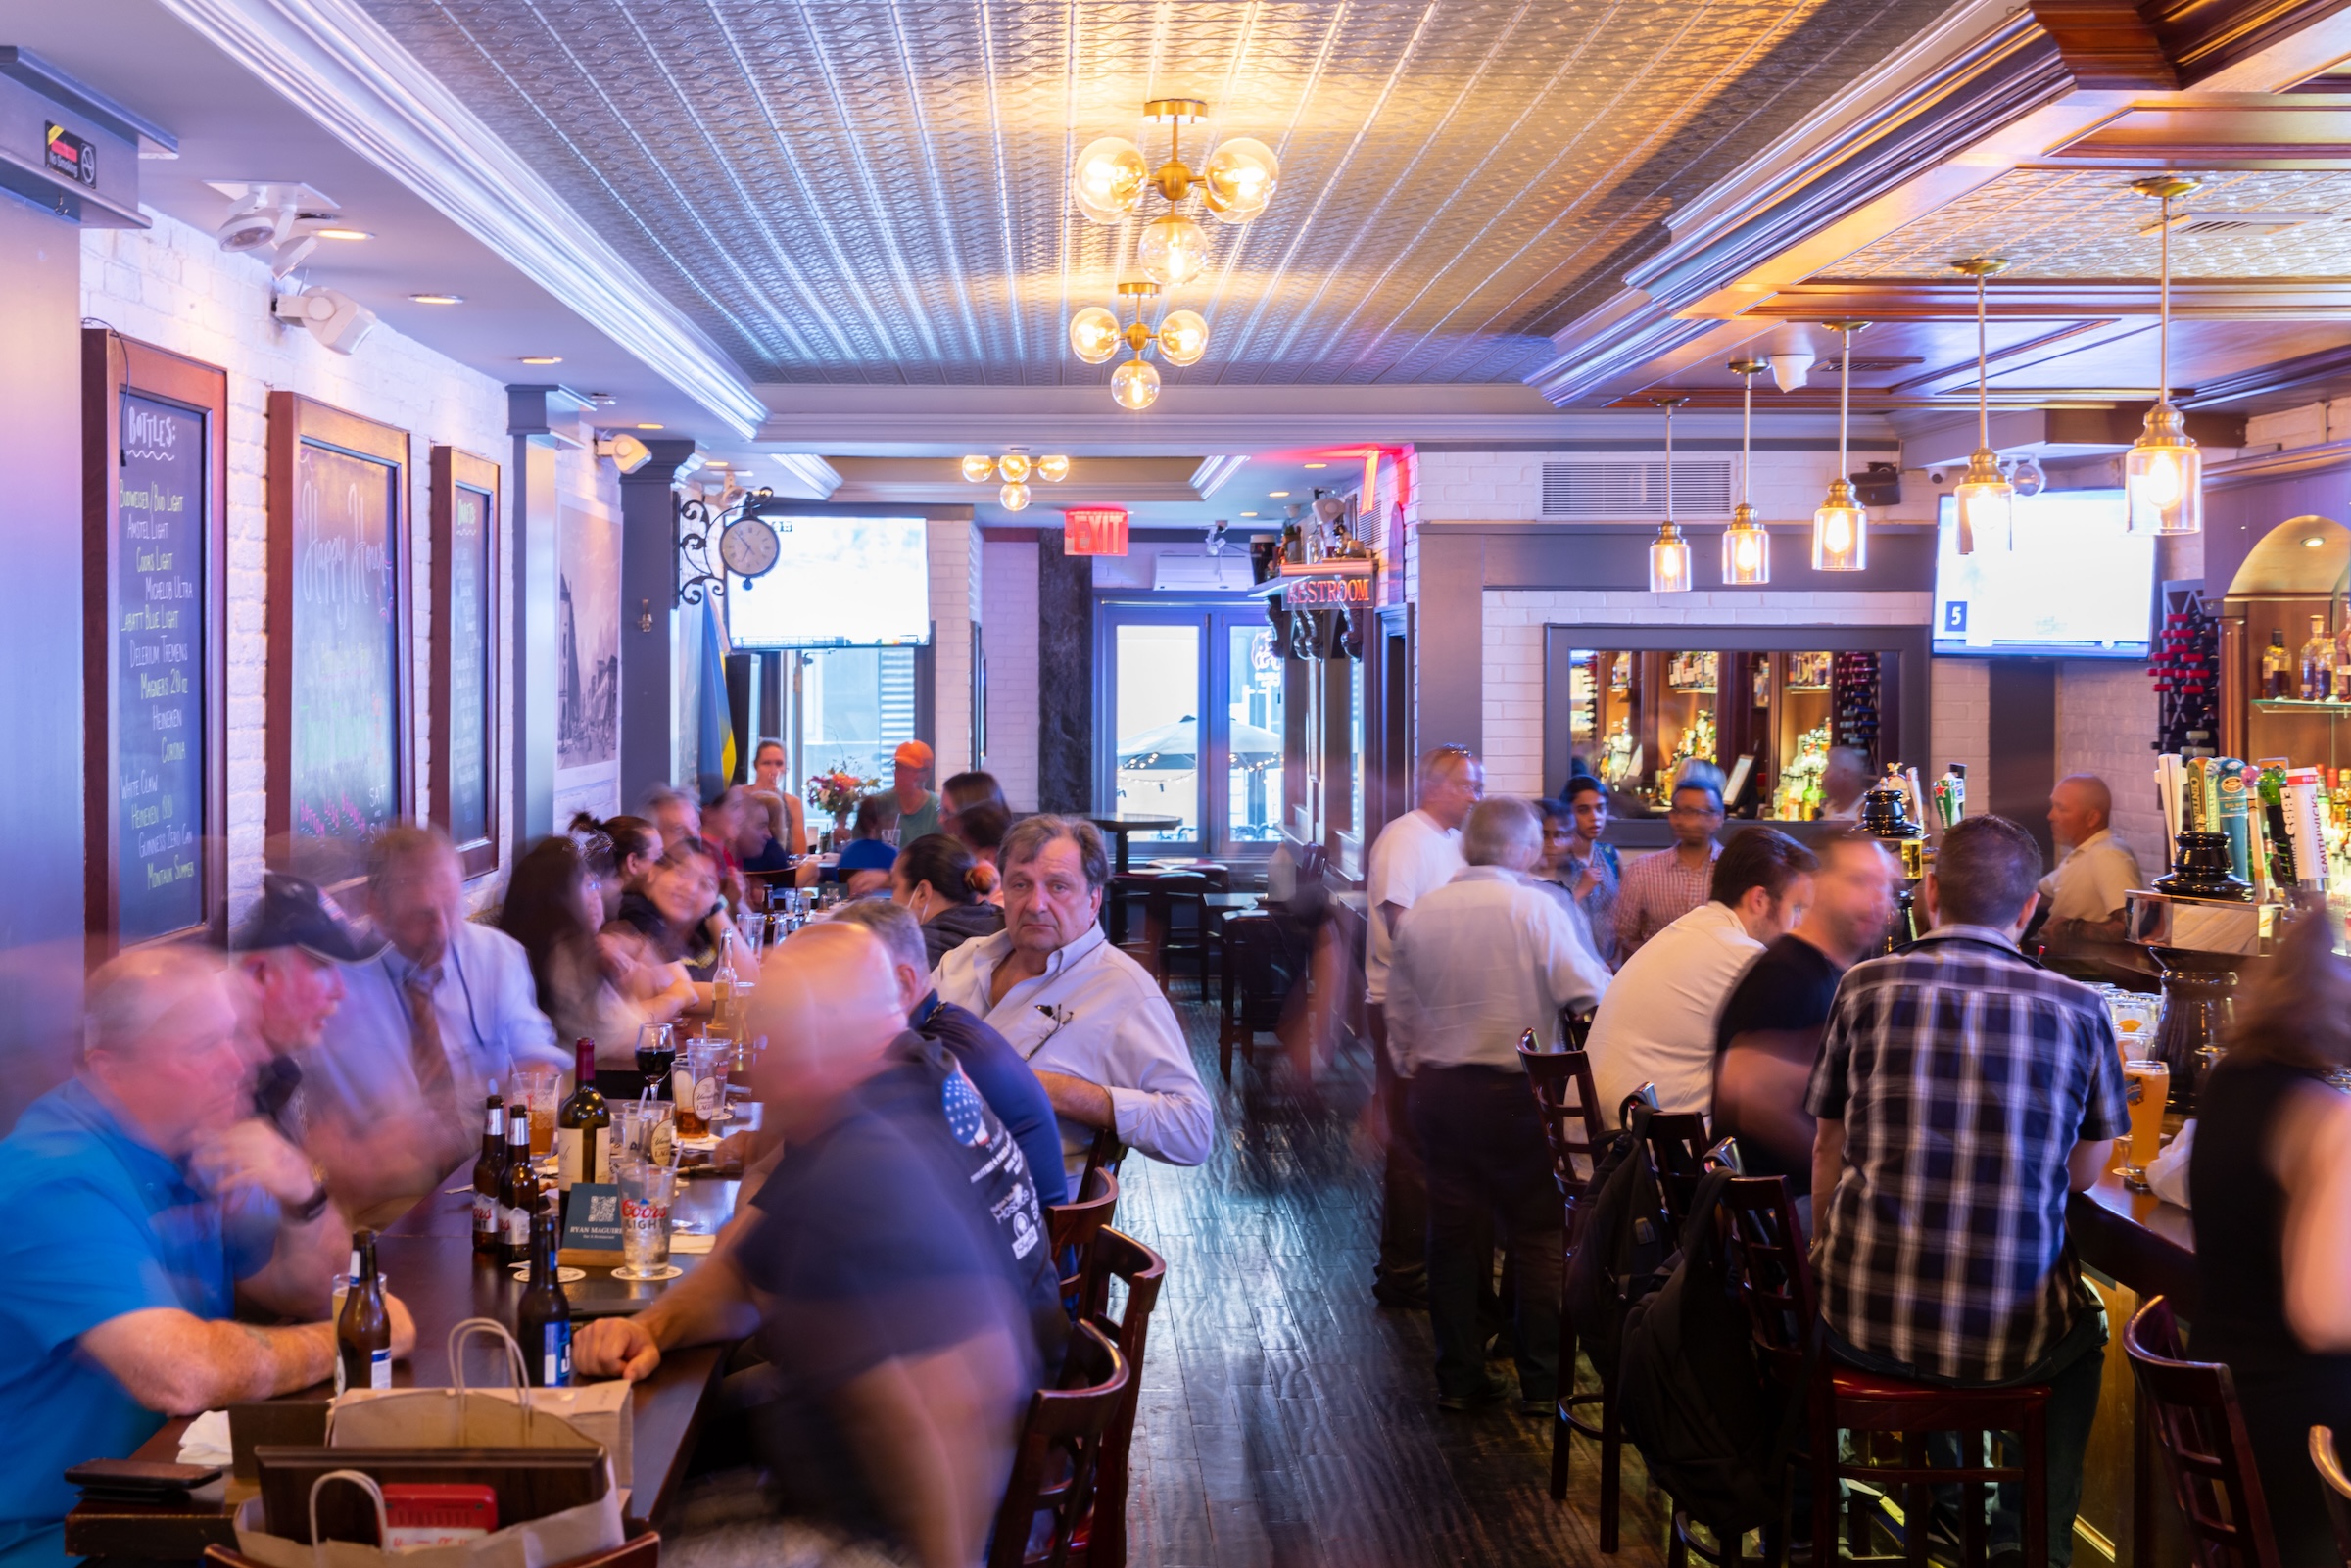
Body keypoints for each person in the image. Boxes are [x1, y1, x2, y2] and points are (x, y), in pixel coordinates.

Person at [570, 925, 1039, 1568]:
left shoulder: (862, 1170)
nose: (749, 1059)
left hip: (869, 1542)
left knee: (601, 1544)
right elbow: (746, 1265)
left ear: (811, 1042)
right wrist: (652, 1327)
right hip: (828, 1493)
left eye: (764, 1034)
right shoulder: (889, 1092)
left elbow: (958, 1405)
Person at [0, 949, 414, 1568]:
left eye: (234, 1038)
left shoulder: (193, 1141)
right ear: (111, 1069)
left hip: (180, 1497)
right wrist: (347, 1339)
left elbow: (302, 1288)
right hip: (66, 1539)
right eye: (201, 1047)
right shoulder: (52, 1181)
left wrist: (302, 1191)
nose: (239, 1065)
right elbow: (180, 1372)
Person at [1807, 814, 2128, 1568]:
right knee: (2084, 1331)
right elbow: (2085, 1172)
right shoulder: (2080, 1009)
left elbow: (1828, 1146)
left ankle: (1947, 1506)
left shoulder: (1863, 986)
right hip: (2006, 1344)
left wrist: (1828, 1259)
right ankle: (2029, 1539)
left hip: (1859, 1321)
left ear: (1928, 894)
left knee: (1923, 1272)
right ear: (2027, 911)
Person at [1387, 798, 1611, 1414]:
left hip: (1439, 1091)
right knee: (1537, 1235)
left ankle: (1458, 1378)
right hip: (1517, 1093)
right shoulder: (1534, 908)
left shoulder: (1424, 915)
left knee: (1453, 1239)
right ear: (1522, 849)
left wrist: (1414, 1071)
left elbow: (1400, 1019)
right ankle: (1543, 1381)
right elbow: (1588, 992)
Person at [2188, 915, 2351, 1567]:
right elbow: (2323, 1316)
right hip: (2301, 1441)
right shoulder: (2327, 1120)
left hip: (2225, 1402)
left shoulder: (2229, 1078)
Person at [933, 815, 1213, 1185]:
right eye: (1020, 884)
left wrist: (1056, 1091)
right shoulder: (965, 959)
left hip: (1027, 1214)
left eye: (1058, 887)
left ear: (1094, 899)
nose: (1036, 904)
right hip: (929, 1174)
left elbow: (1193, 1130)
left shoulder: (1122, 990)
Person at [310, 825, 561, 1216]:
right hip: (393, 1200)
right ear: (376, 905)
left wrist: (516, 1119)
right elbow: (323, 1161)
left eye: (451, 908)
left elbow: (539, 1063)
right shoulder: (333, 993)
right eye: (424, 915)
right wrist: (377, 1155)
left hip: (495, 1172)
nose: (443, 931)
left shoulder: (495, 956)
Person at [831, 897, 1069, 1209]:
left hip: (1018, 1250)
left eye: (840, 983)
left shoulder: (928, 1063)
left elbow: (843, 1173)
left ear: (902, 985)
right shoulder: (942, 1023)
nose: (830, 1007)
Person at [1710, 829, 1898, 1199]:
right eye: (1860, 882)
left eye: (1885, 886)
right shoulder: (1787, 975)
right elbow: (1750, 1097)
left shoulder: (1834, 974)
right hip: (1772, 1210)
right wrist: (1849, 1172)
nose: (1878, 901)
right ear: (1817, 887)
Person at [1583, 827, 1816, 1118]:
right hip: (1644, 1150)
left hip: (1601, 1135)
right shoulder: (1742, 956)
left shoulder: (1694, 926)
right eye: (1795, 908)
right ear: (1760, 899)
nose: (1799, 924)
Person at [1362, 745, 1483, 1310]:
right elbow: (1400, 923)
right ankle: (1404, 1272)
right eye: (1467, 785)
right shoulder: (1404, 838)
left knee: (1432, 1140)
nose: (1475, 796)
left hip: (1439, 1008)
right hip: (1401, 1007)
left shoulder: (1452, 842)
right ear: (1436, 786)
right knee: (1410, 1144)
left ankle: (1428, 1263)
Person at [228, 871, 384, 1146]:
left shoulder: (281, 1072)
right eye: (323, 966)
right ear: (261, 975)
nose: (340, 990)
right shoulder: (219, 1098)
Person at [499, 836, 683, 1067]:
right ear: (561, 897)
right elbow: (625, 1037)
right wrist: (676, 998)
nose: (598, 895)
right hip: (576, 1086)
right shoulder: (567, 955)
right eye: (588, 885)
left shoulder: (552, 946)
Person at [1615, 775, 1727, 957]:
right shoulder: (1644, 870)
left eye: (1693, 812)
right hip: (1656, 976)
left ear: (1718, 818)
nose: (1682, 820)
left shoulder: (1735, 871)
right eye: (1677, 811)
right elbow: (1623, 938)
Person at [2039, 774, 2143, 951]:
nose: (2051, 816)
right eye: (2053, 806)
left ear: (2092, 818)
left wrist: (2072, 929)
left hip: (2079, 971)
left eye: (2061, 809)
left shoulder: (2108, 855)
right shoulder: (2085, 853)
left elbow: (2133, 926)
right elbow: (2042, 893)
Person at [893, 832, 1006, 967]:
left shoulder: (916, 952)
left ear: (922, 894)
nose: (892, 900)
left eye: (894, 886)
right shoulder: (1005, 926)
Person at [1550, 777, 1622, 968]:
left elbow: (1623, 916)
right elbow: (1548, 918)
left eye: (1600, 808)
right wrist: (1581, 889)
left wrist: (1617, 960)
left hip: (1608, 963)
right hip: (1569, 963)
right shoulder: (1556, 859)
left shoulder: (1611, 855)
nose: (1594, 816)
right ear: (1568, 812)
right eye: (1584, 810)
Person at [748, 738, 810, 857]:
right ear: (756, 766)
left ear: (785, 768)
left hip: (782, 868)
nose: (773, 770)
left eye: (779, 764)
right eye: (766, 763)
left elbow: (800, 854)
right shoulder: (740, 795)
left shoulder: (793, 803)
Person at [891, 739, 942, 843]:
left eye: (910, 770)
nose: (901, 775)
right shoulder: (879, 805)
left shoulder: (938, 812)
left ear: (926, 774)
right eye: (899, 768)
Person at [1819, 745, 1872, 821]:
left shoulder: (1867, 809)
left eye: (1828, 770)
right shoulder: (1830, 807)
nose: (1823, 776)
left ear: (1845, 774)